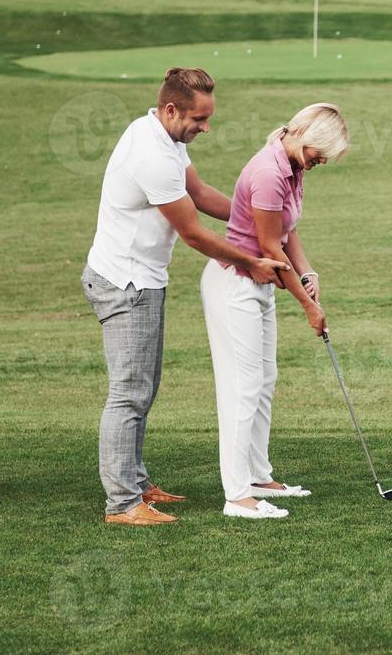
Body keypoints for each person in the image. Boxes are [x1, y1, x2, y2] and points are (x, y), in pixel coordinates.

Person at [82, 68, 288, 527]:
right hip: (125, 283)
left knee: (143, 389)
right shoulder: (149, 153)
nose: (206, 127)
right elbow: (193, 233)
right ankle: (122, 503)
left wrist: (258, 217)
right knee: (129, 394)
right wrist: (251, 261)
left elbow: (197, 192)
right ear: (171, 109)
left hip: (142, 279)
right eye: (199, 118)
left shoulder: (164, 138)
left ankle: (135, 482)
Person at [200, 103, 350, 520]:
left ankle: (258, 476)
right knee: (242, 388)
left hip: (259, 284)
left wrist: (309, 273)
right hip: (235, 285)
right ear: (302, 134)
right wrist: (308, 307)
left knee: (264, 379)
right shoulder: (268, 173)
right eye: (318, 153)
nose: (320, 162)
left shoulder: (292, 168)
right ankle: (237, 495)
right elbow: (269, 248)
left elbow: (289, 230)